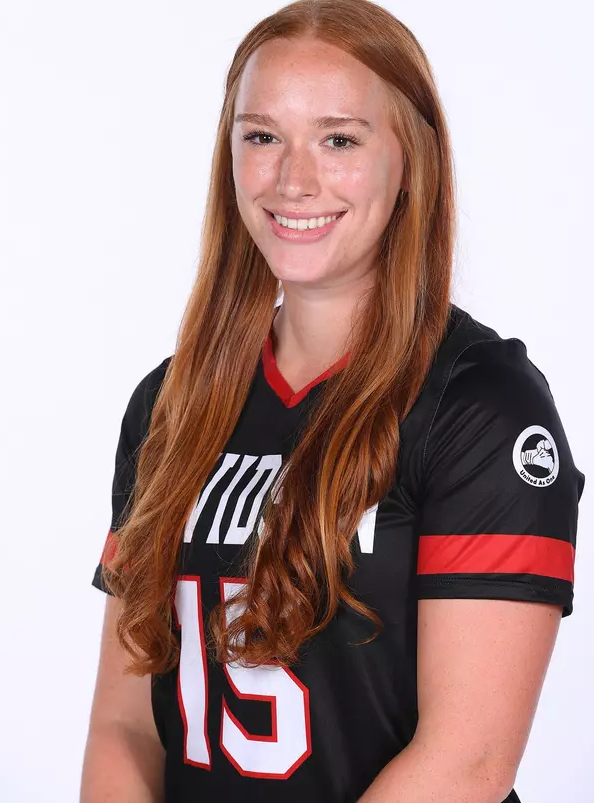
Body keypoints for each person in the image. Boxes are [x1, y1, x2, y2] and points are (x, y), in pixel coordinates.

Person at [80, 1, 585, 802]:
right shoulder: (171, 403)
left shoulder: (481, 405)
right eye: (261, 136)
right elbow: (125, 726)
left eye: (339, 139)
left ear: (409, 159)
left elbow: (467, 761)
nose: (293, 179)